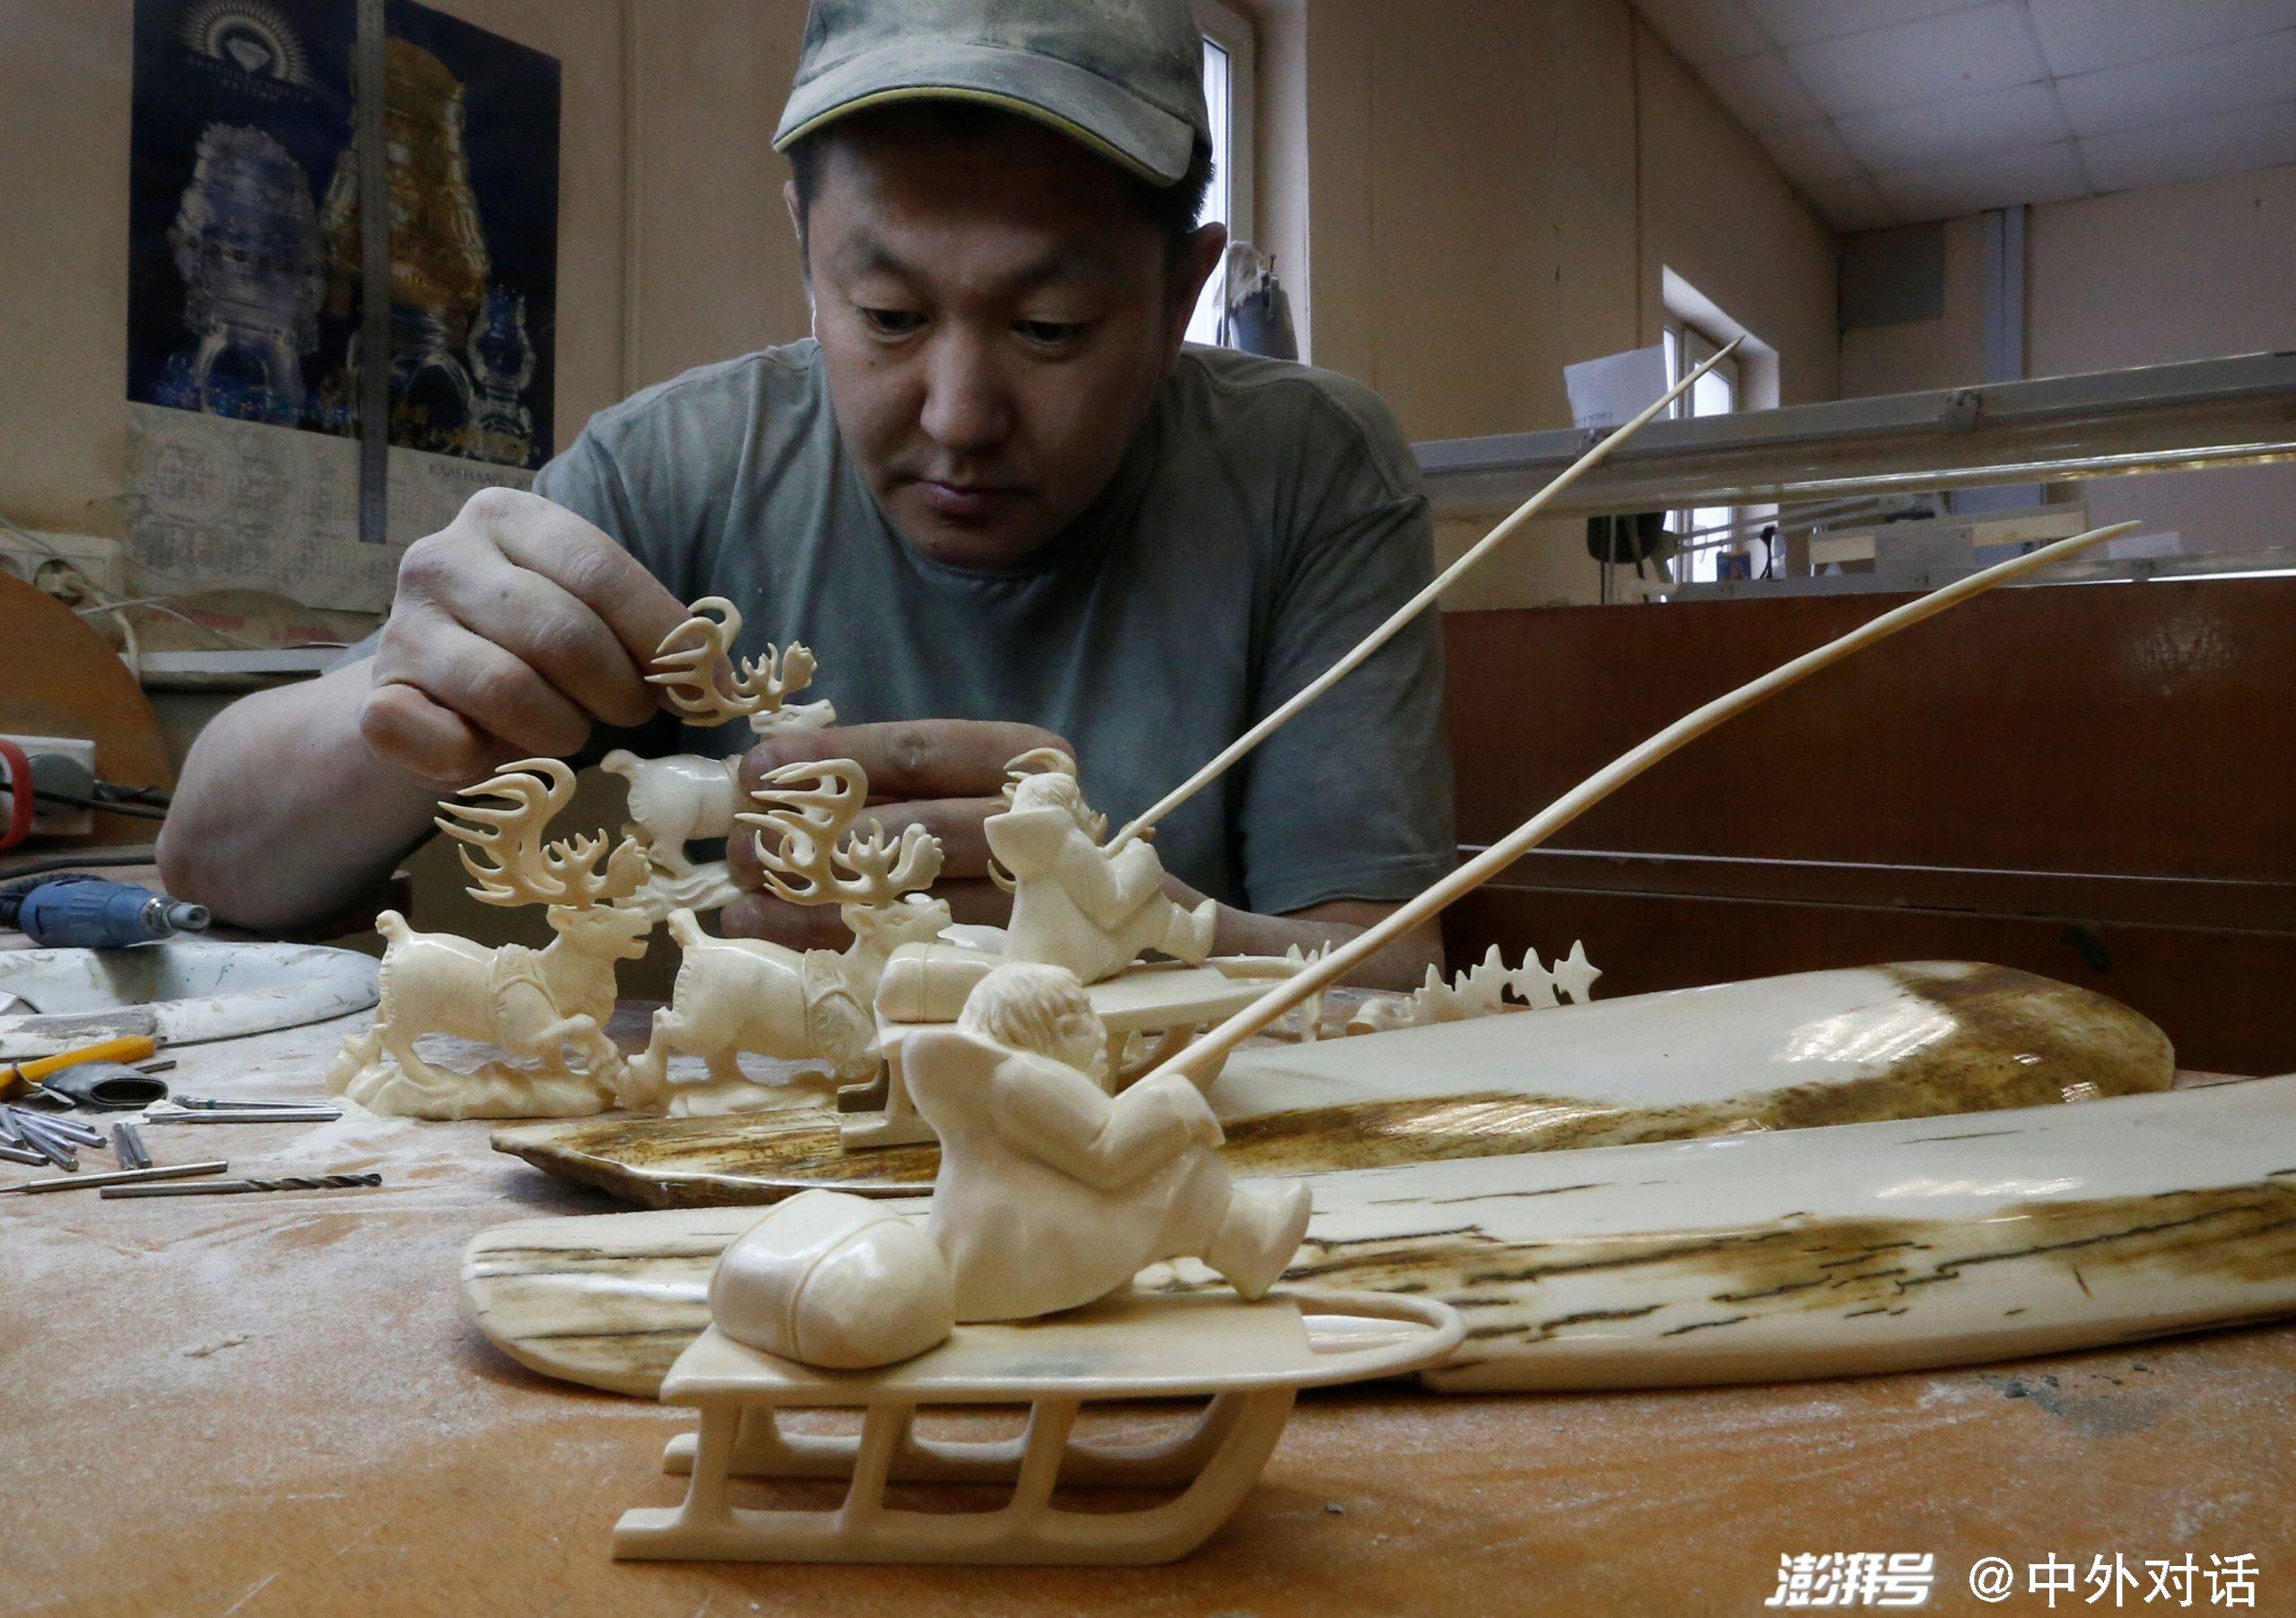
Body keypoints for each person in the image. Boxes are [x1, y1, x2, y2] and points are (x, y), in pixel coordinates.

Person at [160, 0, 1454, 987]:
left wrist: (1122, 927)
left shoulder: (1307, 469)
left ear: (1181, 294)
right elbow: (212, 862)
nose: (958, 416)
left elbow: (1388, 968)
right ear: (805, 252)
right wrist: (413, 697)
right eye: (887, 314)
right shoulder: (678, 464)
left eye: (1050, 328)